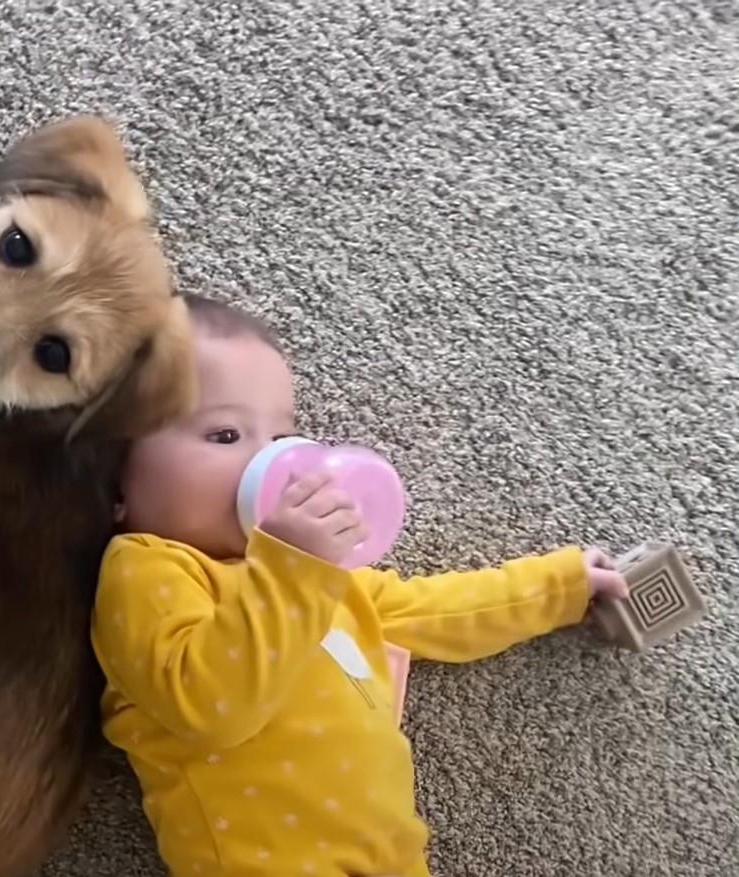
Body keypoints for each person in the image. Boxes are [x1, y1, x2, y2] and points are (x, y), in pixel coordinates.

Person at [91, 294, 629, 877]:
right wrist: (293, 566)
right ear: (114, 481)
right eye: (224, 436)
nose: (273, 465)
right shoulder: (150, 566)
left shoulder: (325, 583)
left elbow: (436, 611)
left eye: (280, 440)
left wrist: (556, 588)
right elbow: (210, 708)